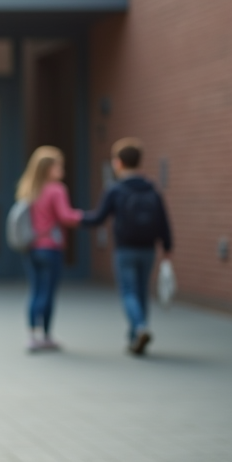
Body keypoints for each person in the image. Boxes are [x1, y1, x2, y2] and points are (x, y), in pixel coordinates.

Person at [81, 137, 173, 356]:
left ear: (117, 163)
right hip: (148, 249)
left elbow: (98, 218)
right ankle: (135, 337)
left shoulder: (115, 189)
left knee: (129, 292)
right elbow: (163, 220)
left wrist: (75, 218)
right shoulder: (152, 188)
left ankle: (139, 328)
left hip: (125, 249)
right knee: (141, 292)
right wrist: (168, 247)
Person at [15, 146, 82, 352]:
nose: (62, 169)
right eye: (58, 165)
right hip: (51, 248)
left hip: (31, 248)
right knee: (48, 292)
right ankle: (45, 335)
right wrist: (85, 217)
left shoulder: (28, 188)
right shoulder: (57, 189)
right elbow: (65, 216)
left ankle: (32, 335)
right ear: (48, 168)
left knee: (35, 290)